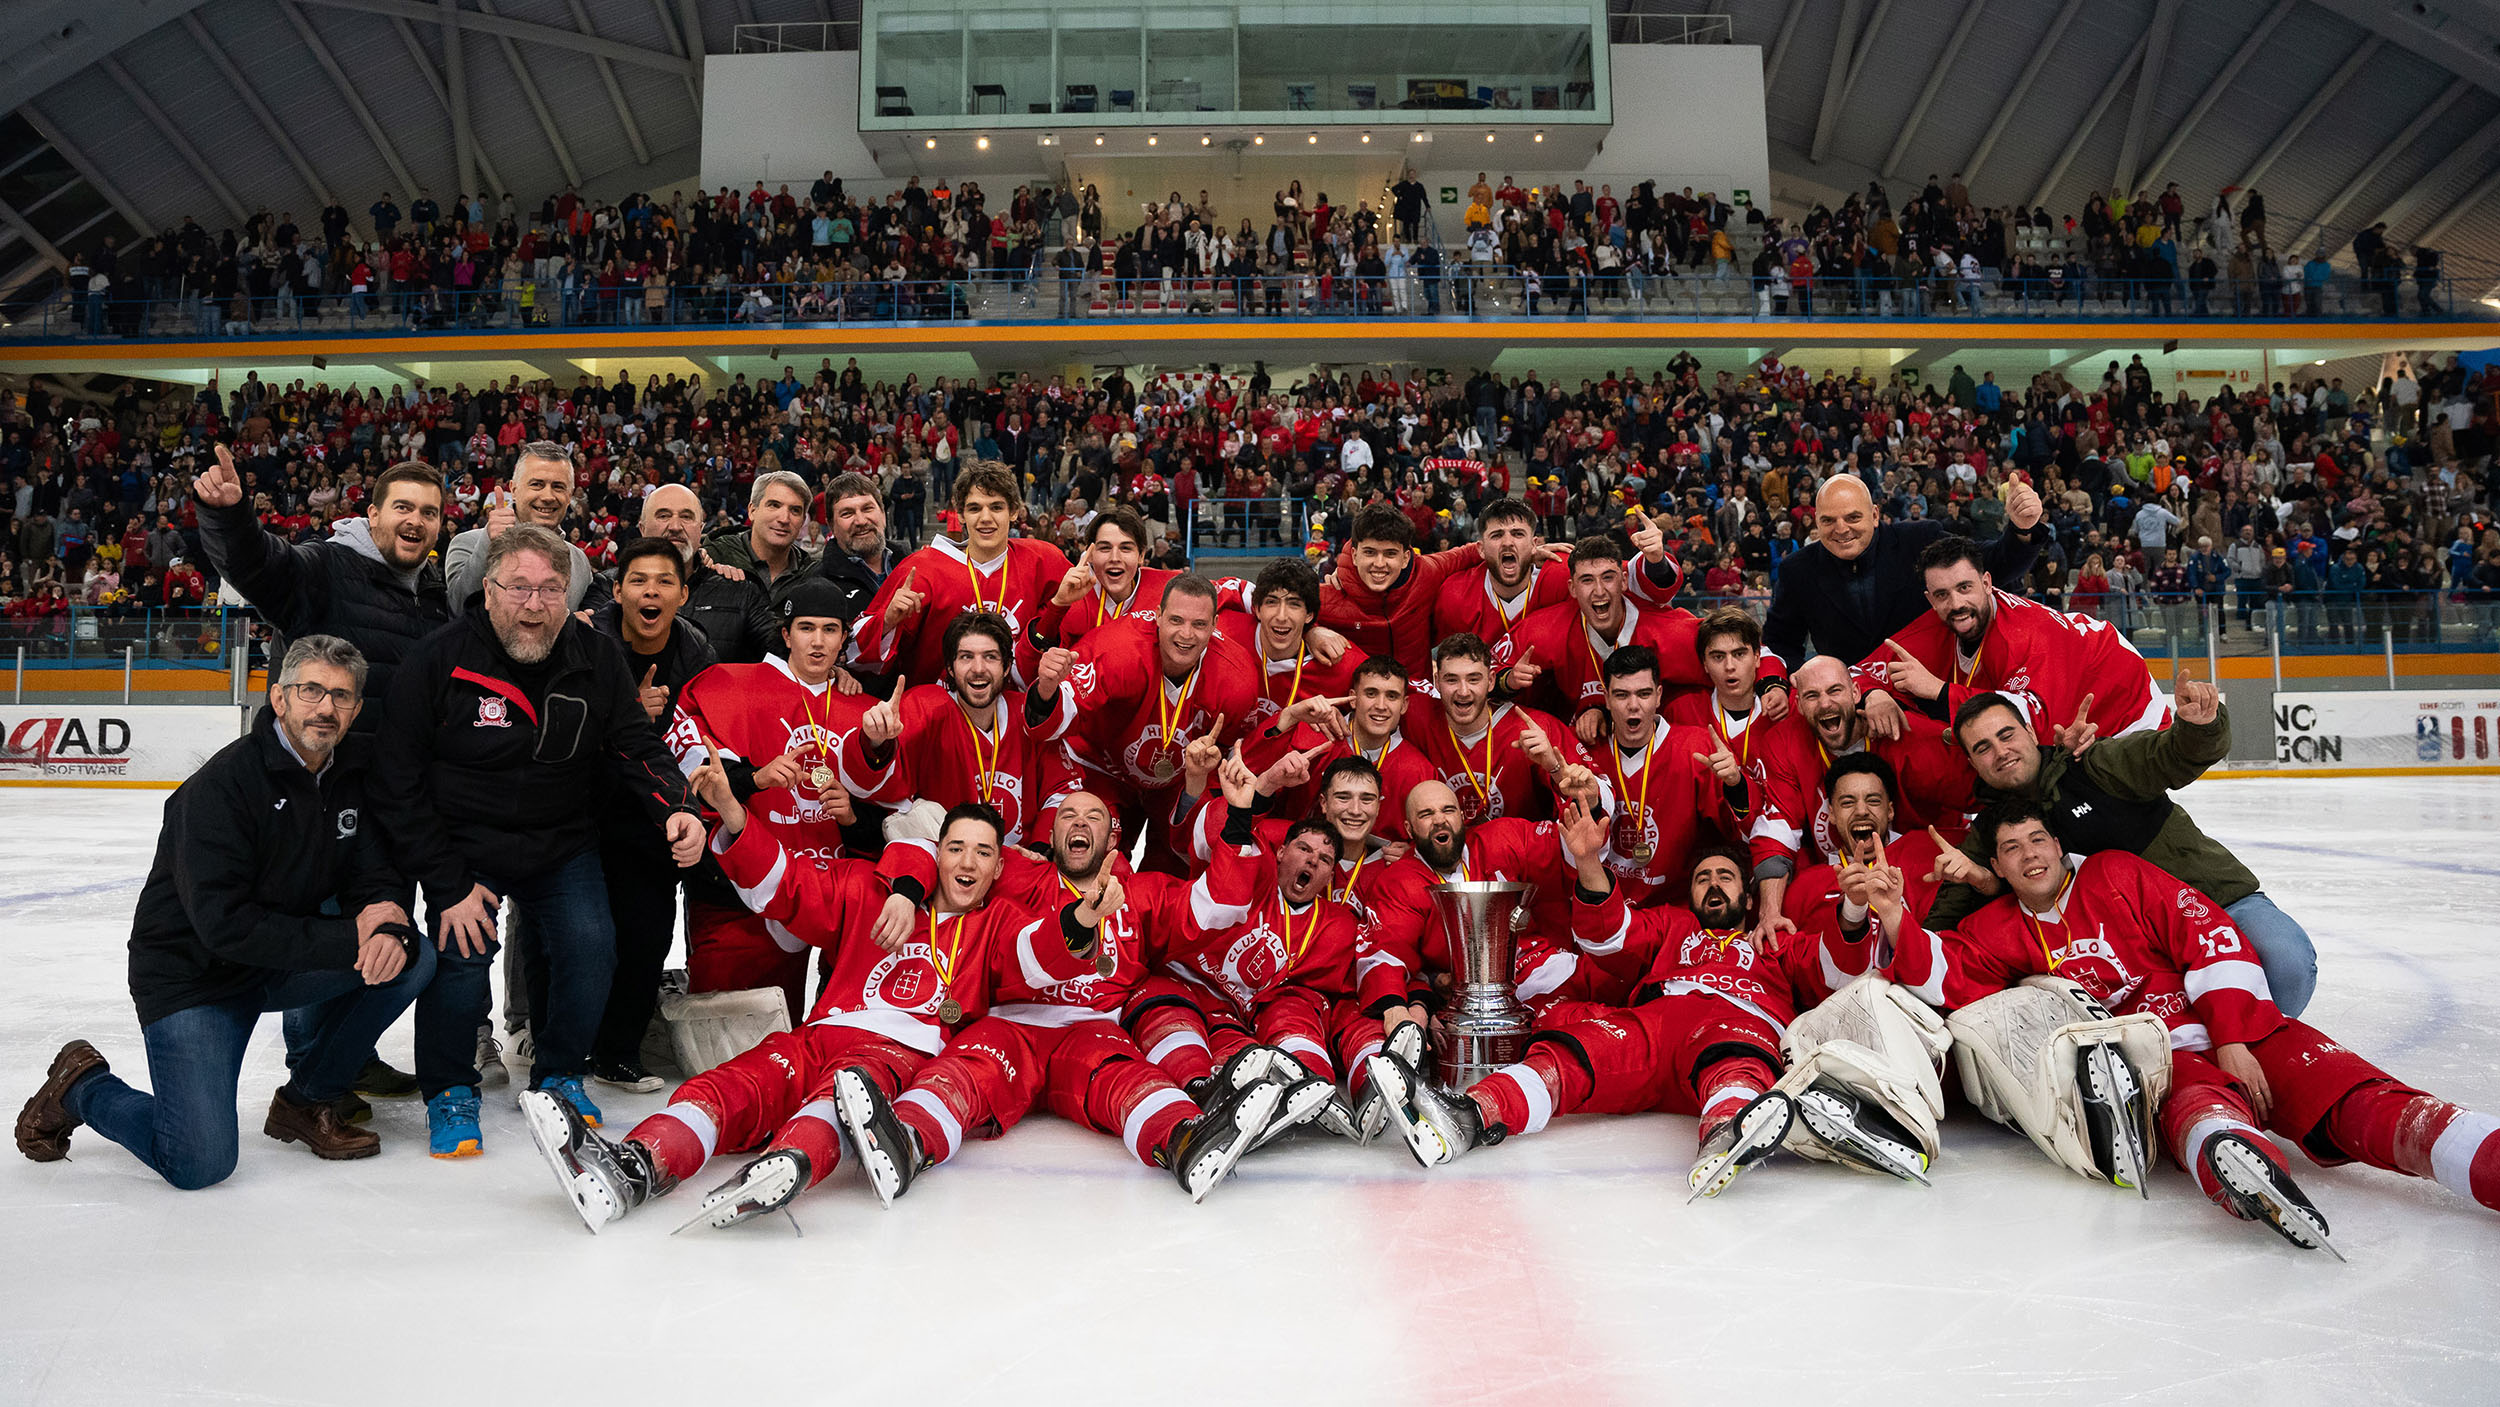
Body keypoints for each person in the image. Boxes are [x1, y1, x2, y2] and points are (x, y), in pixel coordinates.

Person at [1886, 800, 2500, 1252]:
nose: (2031, 855)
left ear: (2056, 844)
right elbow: (1949, 974)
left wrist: (2232, 1036)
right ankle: (2234, 1157)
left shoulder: (2117, 873)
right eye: (2013, 849)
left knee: (2359, 1099)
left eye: (2039, 839)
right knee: (2193, 1104)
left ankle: (2478, 1152)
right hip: (2157, 1058)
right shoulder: (1997, 927)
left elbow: (2210, 936)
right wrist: (1892, 918)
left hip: (2239, 1028)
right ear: (1995, 865)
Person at [520, 793, 1114, 1232]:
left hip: (898, 1051)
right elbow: (789, 888)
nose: (968, 861)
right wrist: (735, 818)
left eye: (984, 853)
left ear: (996, 869)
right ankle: (634, 1168)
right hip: (822, 1031)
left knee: (841, 1098)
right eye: (955, 846)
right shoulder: (868, 891)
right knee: (733, 1084)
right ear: (934, 856)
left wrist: (1083, 920)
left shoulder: (999, 923)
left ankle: (789, 1163)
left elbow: (1037, 956)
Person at [15, 637, 433, 1186]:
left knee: (413, 956)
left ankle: (306, 1099)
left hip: (275, 964)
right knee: (198, 1163)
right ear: (279, 698)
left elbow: (374, 871)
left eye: (341, 695)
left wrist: (385, 922)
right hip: (195, 980)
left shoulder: (350, 773)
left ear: (356, 709)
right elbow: (223, 925)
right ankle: (83, 1086)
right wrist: (349, 938)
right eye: (311, 691)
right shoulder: (221, 787)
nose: (325, 707)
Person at [1371, 800, 1931, 1197]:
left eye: (1727, 877)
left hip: (1736, 1020)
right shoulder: (1669, 925)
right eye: (1703, 877)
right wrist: (1589, 865)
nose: (1714, 885)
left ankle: (1726, 1132)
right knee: (1575, 1052)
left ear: (1746, 890)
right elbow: (1608, 936)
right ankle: (1469, 1116)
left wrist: (1857, 909)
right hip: (1654, 1021)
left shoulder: (1776, 938)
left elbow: (1841, 969)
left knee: (1732, 1060)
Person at [373, 525, 704, 1157]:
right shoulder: (440, 657)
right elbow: (398, 782)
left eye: (551, 589)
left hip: (560, 841)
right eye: (519, 587)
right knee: (462, 951)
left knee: (591, 945)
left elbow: (635, 745)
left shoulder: (594, 653)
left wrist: (678, 808)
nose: (535, 604)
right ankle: (449, 1089)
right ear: (490, 591)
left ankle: (559, 1073)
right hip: (465, 845)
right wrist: (445, 882)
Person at [1930, 682, 2317, 1015]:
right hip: (2126, 948)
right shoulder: (1992, 829)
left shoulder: (2091, 762)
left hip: (2211, 900)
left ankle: (2266, 1045)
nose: (2000, 751)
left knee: (2287, 965)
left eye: (2007, 734)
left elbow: (2167, 755)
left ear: (2031, 732)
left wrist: (2199, 728)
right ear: (1972, 762)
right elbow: (1953, 913)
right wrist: (1922, 951)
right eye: (1983, 747)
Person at [665, 578, 875, 1016]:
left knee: (837, 1022)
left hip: (834, 889)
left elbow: (893, 809)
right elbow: (691, 760)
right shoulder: (729, 682)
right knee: (737, 1036)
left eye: (830, 630)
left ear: (844, 638)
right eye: (805, 628)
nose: (817, 642)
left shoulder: (865, 708)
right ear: (785, 634)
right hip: (743, 888)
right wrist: (754, 779)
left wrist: (854, 815)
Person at [585, 538, 719, 1090]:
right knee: (580, 935)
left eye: (665, 582)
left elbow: (708, 729)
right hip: (583, 811)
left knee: (647, 930)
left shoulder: (696, 650)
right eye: (639, 580)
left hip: (657, 812)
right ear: (617, 590)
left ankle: (619, 1048)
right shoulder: (587, 641)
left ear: (683, 595)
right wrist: (625, 714)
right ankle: (557, 1045)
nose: (651, 591)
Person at [191, 446, 449, 731]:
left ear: (439, 525)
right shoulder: (324, 567)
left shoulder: (436, 595)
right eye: (403, 507)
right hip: (323, 774)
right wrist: (230, 519)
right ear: (373, 514)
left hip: (402, 774)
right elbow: (262, 566)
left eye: (429, 513)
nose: (415, 520)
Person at [1026, 575, 1259, 870]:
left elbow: (1234, 752)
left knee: (1182, 867)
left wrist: (1199, 780)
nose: (1186, 634)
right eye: (1176, 620)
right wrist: (1046, 689)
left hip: (1179, 780)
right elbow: (1059, 714)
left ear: (1214, 625)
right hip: (1103, 768)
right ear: (1158, 616)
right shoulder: (1117, 648)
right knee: (1087, 863)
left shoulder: (1237, 678)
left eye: (1199, 624)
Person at [1863, 535, 2166, 747]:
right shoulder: (1942, 621)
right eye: (1942, 595)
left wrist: (1938, 690)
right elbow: (1857, 675)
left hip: (2130, 713)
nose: (1956, 603)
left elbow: (2029, 721)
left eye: (1965, 587)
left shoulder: (2022, 635)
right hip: (2070, 715)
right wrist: (1875, 695)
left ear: (1986, 583)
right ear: (1930, 600)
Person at [1760, 473, 2045, 669]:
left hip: (1929, 697)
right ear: (1816, 524)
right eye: (1828, 520)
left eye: (1853, 517)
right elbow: (1780, 641)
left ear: (1874, 515)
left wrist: (2022, 528)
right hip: (1852, 711)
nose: (1841, 529)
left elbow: (1993, 562)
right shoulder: (1796, 570)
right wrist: (1798, 680)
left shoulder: (1920, 539)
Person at [853, 463, 1065, 691]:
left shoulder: (1042, 560)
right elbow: (852, 649)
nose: (985, 518)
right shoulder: (922, 569)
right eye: (974, 508)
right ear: (961, 514)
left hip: (1014, 714)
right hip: (937, 713)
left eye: (996, 507)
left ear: (1013, 512)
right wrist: (887, 622)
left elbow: (1083, 624)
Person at [443, 441, 603, 612]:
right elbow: (458, 609)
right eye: (537, 484)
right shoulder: (468, 544)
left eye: (558, 487)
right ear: (513, 490)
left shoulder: (579, 562)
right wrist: (489, 545)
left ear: (569, 495)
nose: (548, 496)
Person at [636, 483, 777, 665]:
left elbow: (784, 655)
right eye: (663, 516)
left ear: (700, 529)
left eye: (686, 517)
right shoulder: (607, 586)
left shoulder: (741, 593)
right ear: (642, 528)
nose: (676, 526)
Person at [1430, 497, 1571, 673]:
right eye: (1497, 535)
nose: (1507, 542)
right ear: (1480, 548)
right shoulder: (1456, 594)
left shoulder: (1563, 579)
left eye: (1518, 534)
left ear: (1534, 544)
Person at [701, 469, 818, 599]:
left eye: (795, 510)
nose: (784, 519)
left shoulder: (814, 576)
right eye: (774, 505)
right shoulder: (711, 559)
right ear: (752, 511)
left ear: (803, 521)